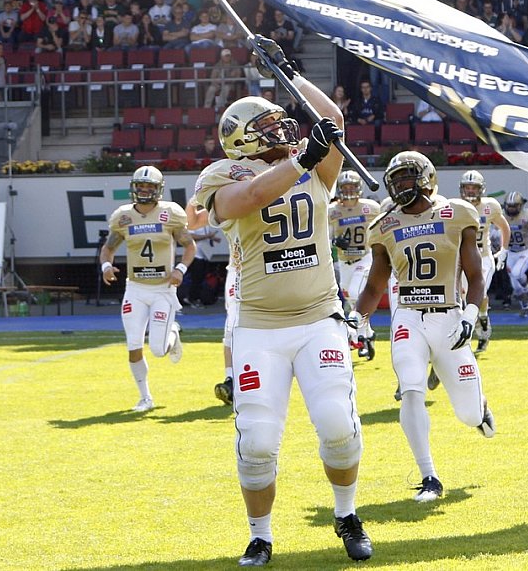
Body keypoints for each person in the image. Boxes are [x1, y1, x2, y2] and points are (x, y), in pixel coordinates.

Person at [190, 39, 369, 566]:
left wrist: (288, 71)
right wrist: (302, 161)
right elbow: (245, 201)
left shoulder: (311, 165)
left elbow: (330, 116)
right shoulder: (223, 174)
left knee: (337, 423)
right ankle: (260, 535)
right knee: (259, 442)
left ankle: (346, 514)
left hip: (318, 319)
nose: (282, 130)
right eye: (267, 128)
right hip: (259, 328)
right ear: (241, 142)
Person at [354, 152, 494, 503]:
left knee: (468, 413)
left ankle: (480, 410)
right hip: (409, 317)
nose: (401, 185)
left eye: (408, 178)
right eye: (396, 179)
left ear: (426, 178)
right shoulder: (384, 226)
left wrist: (470, 314)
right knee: (411, 389)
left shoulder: (457, 213)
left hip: (449, 316)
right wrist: (357, 319)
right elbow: (374, 286)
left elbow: (475, 276)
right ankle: (429, 475)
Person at [98, 164, 193, 411]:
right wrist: (106, 266)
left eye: (149, 186)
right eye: (140, 185)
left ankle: (173, 331)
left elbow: (189, 246)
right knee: (133, 345)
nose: (143, 190)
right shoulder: (123, 216)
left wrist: (180, 270)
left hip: (162, 289)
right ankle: (145, 398)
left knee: (159, 350)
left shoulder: (170, 213)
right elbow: (108, 248)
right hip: (136, 289)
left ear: (158, 189)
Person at [329, 169, 381, 360]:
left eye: (352, 186)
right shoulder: (332, 211)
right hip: (344, 261)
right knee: (353, 300)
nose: (349, 190)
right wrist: (335, 241)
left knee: (354, 292)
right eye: (345, 187)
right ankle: (367, 336)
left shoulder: (371, 207)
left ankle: (356, 336)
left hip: (364, 258)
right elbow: (325, 236)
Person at [457, 170, 509, 352]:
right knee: (464, 298)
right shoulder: (455, 207)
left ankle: (483, 318)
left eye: (474, 188)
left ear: (482, 189)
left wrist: (504, 250)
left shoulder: (490, 206)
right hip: (463, 258)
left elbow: (504, 227)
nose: (471, 191)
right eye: (467, 187)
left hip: (484, 257)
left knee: (480, 295)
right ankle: (479, 327)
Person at [500, 191, 528, 316]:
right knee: (516, 287)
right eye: (509, 206)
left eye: (514, 206)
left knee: (516, 273)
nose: (511, 209)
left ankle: (527, 288)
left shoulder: (527, 216)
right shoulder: (501, 216)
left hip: (525, 251)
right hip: (511, 252)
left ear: (520, 206)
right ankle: (525, 306)